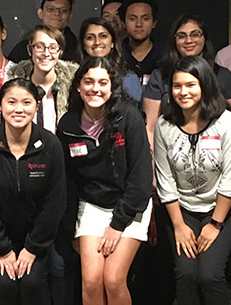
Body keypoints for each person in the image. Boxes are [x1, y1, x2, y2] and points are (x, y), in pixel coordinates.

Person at [58, 57, 152, 305]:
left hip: (130, 206)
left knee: (112, 279)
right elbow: (68, 182)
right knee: (91, 280)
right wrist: (71, 230)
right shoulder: (67, 124)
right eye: (88, 82)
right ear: (78, 86)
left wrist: (117, 225)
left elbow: (141, 179)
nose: (95, 88)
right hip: (91, 206)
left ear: (112, 87)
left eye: (102, 82)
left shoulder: (129, 117)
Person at [153, 56, 231, 305]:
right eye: (177, 85)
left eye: (191, 85)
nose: (183, 92)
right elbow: (165, 179)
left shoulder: (226, 122)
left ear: (204, 85)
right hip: (181, 211)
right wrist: (179, 225)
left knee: (210, 276)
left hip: (220, 210)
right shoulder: (164, 124)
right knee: (185, 274)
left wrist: (215, 224)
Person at [0, 78, 67, 305]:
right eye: (11, 102)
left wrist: (32, 248)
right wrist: (3, 250)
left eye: (26, 102)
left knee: (31, 283)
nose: (19, 109)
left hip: (37, 238)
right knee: (6, 284)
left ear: (36, 106)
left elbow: (54, 204)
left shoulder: (51, 145)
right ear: (1, 106)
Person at [142, 14, 231, 148]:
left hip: (215, 153)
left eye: (195, 34)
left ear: (205, 38)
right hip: (168, 151)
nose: (188, 40)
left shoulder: (223, 75)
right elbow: (150, 128)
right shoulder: (160, 76)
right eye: (181, 36)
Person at [6, 26, 78, 133]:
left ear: (60, 52)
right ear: (30, 50)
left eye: (53, 47)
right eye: (39, 47)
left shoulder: (74, 86)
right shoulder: (14, 84)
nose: (46, 53)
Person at [78, 17, 139, 103]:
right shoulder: (72, 75)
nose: (97, 42)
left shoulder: (128, 78)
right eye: (90, 38)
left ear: (112, 42)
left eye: (103, 36)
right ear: (83, 44)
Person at [8, 0, 79, 62]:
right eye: (51, 9)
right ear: (40, 13)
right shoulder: (23, 48)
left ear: (70, 16)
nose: (57, 13)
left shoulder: (78, 48)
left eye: (63, 10)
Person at [119, 0, 165, 86]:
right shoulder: (115, 56)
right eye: (132, 19)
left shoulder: (166, 57)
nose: (139, 24)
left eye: (145, 19)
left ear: (154, 23)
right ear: (124, 23)